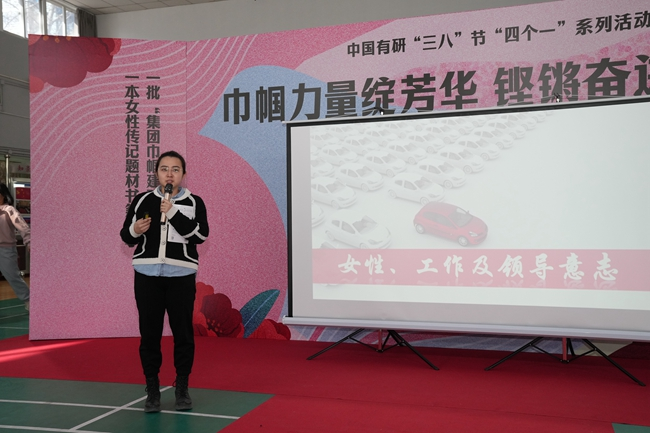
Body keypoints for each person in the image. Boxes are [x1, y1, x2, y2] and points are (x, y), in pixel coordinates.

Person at [120, 151, 209, 413]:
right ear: (156, 172)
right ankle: (152, 389)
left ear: (183, 174)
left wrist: (173, 213)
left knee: (183, 334)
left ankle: (182, 388)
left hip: (181, 275)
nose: (169, 174)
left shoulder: (194, 202)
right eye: (164, 169)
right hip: (147, 275)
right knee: (150, 335)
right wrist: (135, 229)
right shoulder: (143, 200)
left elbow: (201, 235)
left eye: (175, 169)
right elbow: (126, 235)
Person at [0, 183, 31, 311]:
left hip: (5, 250)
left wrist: (29, 242)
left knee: (13, 277)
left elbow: (23, 227)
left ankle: (29, 300)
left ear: (3, 195)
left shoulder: (9, 210)